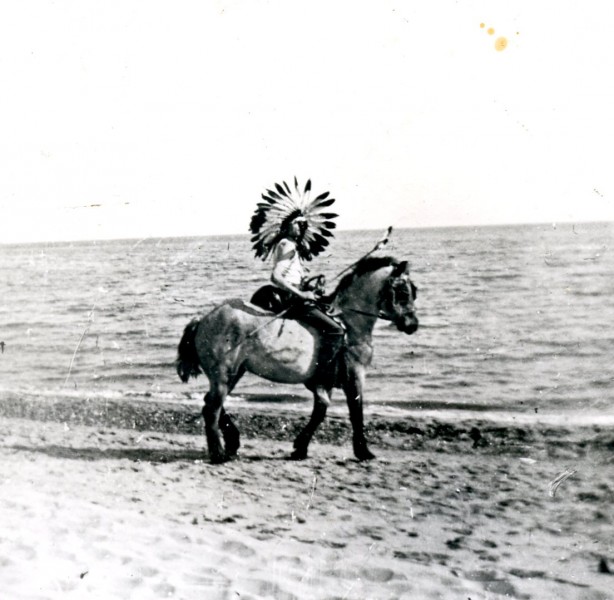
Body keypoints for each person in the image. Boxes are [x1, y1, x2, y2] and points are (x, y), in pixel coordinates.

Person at [249, 179, 345, 388]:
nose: (301, 227)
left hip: (293, 296)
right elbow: (276, 277)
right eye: (296, 223)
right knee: (336, 331)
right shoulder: (287, 246)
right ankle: (321, 378)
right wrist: (302, 294)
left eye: (303, 224)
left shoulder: (289, 245)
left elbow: (290, 277)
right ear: (286, 225)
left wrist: (309, 286)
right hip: (292, 299)